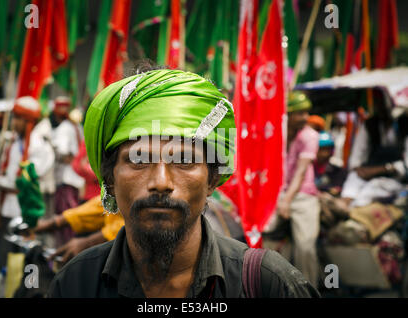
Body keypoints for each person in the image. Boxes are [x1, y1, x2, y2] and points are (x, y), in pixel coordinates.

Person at [48, 68, 319, 298]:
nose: (161, 182)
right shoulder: (76, 283)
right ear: (109, 178)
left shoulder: (266, 283)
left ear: (212, 179)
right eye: (139, 161)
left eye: (184, 161)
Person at [0, 97, 55, 269]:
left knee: (26, 263)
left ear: (29, 121)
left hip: (26, 213)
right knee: (5, 260)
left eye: (18, 118)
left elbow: (23, 182)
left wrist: (0, 181)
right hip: (6, 210)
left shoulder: (40, 146)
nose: (13, 122)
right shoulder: (10, 142)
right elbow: (0, 172)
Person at [275, 91, 321, 289]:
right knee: (260, 234)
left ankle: (307, 290)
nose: (304, 117)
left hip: (302, 194)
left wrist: (286, 201)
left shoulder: (310, 136)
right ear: (288, 114)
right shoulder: (277, 133)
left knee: (305, 247)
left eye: (306, 112)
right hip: (278, 192)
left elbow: (301, 172)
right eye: (299, 113)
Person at [340, 99, 408, 208]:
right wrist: (364, 171)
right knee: (353, 180)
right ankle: (343, 206)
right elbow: (355, 162)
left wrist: (384, 169)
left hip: (395, 181)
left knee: (370, 192)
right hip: (366, 174)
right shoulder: (370, 125)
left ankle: (353, 212)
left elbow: (405, 167)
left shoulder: (404, 125)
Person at [51, 96, 84, 246]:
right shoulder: (78, 127)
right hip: (77, 179)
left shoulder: (65, 128)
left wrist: (72, 158)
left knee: (67, 219)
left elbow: (63, 152)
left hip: (67, 181)